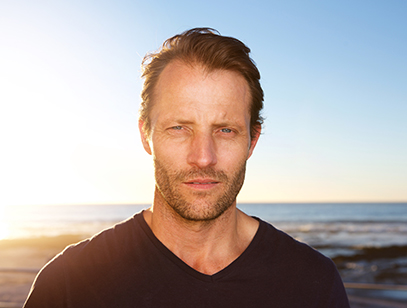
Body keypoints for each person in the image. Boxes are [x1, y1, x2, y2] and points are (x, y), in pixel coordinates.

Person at [24, 28, 350, 307]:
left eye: (225, 130)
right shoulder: (69, 285)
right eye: (179, 128)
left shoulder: (312, 283)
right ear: (146, 136)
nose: (203, 157)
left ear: (252, 141)